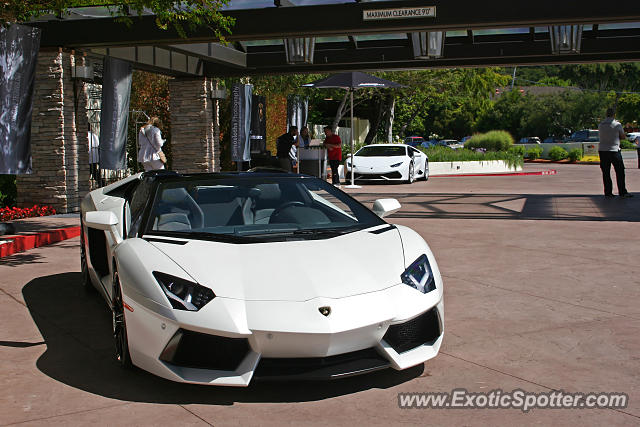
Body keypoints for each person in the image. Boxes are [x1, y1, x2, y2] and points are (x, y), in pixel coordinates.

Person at [598, 108, 632, 198]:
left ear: (606, 114)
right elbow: (622, 136)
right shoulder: (617, 124)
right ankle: (622, 192)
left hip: (602, 150)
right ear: (614, 115)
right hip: (614, 150)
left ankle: (608, 192)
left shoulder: (601, 125)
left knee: (606, 172)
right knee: (620, 171)